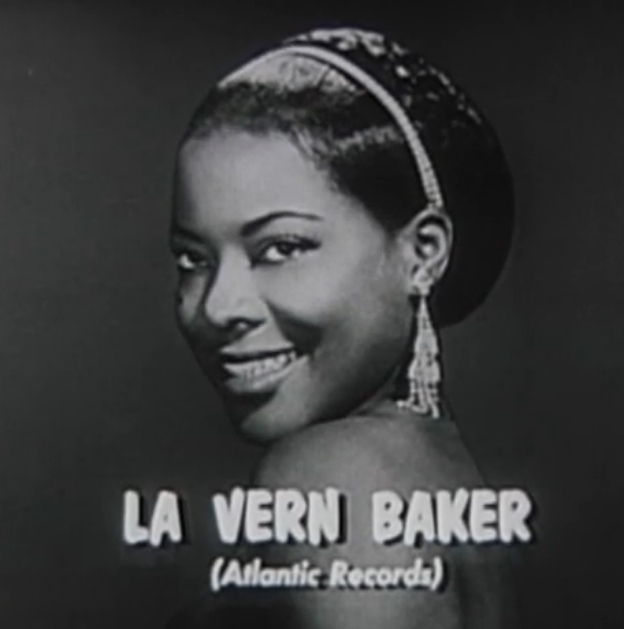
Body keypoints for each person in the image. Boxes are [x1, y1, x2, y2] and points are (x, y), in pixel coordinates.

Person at [166, 26, 515, 629]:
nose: (218, 307)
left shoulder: (332, 477)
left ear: (422, 254)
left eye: (282, 247)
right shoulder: (435, 473)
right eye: (193, 259)